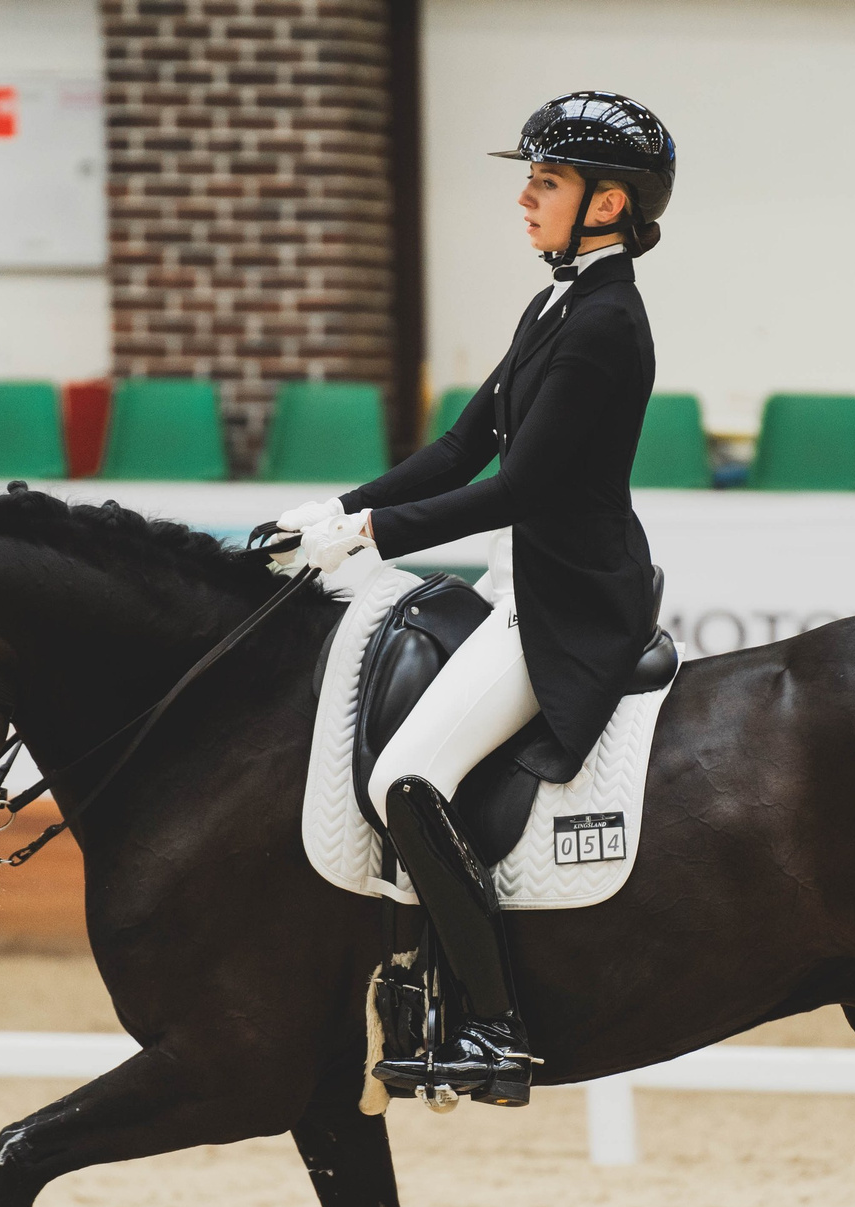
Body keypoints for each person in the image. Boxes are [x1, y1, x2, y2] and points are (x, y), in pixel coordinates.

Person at [269, 91, 675, 1109]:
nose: (525, 201)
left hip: (571, 601)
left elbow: (520, 487)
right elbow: (461, 448)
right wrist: (338, 504)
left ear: (609, 204)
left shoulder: (606, 324)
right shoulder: (556, 306)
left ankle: (492, 1024)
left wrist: (366, 538)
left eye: (546, 183)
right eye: (528, 182)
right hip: (524, 581)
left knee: (408, 780)